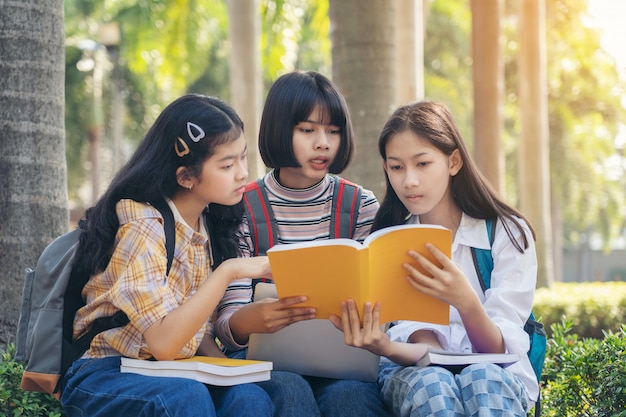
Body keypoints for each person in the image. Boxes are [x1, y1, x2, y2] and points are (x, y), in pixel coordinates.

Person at [60, 94, 275, 417]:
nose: (243, 173)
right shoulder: (143, 226)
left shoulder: (208, 224)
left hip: (173, 370)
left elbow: (194, 330)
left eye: (243, 158)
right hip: (105, 372)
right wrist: (229, 271)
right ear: (185, 176)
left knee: (252, 398)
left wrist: (232, 374)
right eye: (227, 165)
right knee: (184, 399)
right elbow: (164, 343)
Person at [329, 100, 539, 416]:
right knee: (434, 383)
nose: (409, 180)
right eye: (397, 167)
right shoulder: (391, 241)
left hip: (499, 375)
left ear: (453, 161)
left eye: (422, 164)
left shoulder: (507, 233)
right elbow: (425, 350)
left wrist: (466, 301)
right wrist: (382, 347)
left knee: (482, 377)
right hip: (416, 372)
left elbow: (496, 352)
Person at [214, 70, 390, 417]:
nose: (323, 142)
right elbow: (226, 324)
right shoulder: (240, 207)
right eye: (308, 130)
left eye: (333, 131)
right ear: (280, 129)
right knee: (289, 393)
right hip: (264, 364)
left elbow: (381, 303)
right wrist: (252, 320)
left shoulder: (360, 206)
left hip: (348, 364)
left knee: (353, 400)